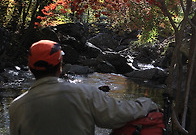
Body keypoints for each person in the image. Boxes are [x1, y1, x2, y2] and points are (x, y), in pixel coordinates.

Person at [9, 40, 158, 135]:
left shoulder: (16, 106)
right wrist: (146, 103)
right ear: (60, 66)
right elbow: (117, 116)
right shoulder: (84, 93)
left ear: (30, 68)